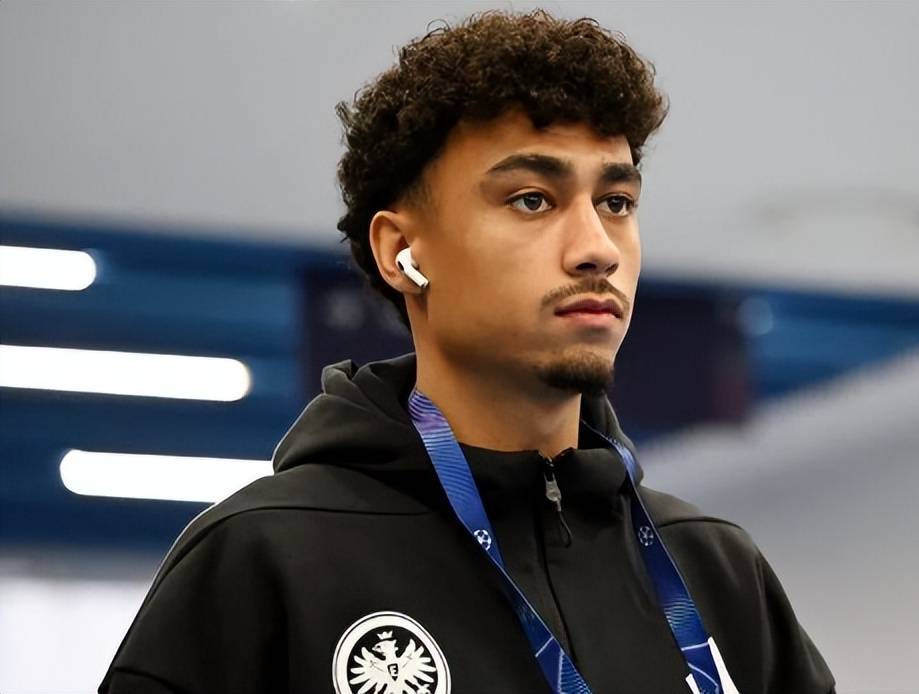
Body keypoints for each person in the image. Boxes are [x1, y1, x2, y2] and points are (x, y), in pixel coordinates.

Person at [100, 9, 835, 694]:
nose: (597, 249)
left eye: (616, 203)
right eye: (532, 200)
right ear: (402, 252)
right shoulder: (265, 557)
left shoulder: (713, 571)